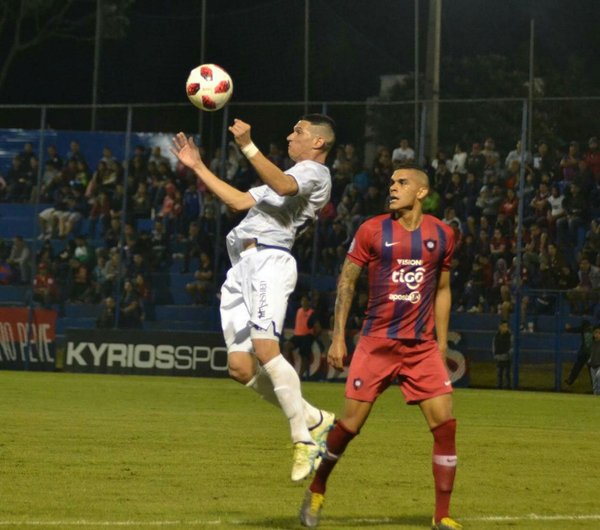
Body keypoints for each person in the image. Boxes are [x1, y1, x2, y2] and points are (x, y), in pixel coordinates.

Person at [171, 114, 337, 482]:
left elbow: (282, 183)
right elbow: (238, 201)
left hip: (269, 261)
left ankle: (304, 442)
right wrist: (197, 165)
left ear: (319, 143)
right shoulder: (287, 178)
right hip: (241, 269)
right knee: (241, 369)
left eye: (299, 131)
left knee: (266, 350)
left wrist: (247, 144)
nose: (291, 135)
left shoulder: (313, 173)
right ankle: (314, 417)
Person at [299, 163, 461, 530]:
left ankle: (442, 515)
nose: (392, 187)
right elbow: (346, 281)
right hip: (376, 344)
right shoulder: (372, 230)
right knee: (351, 425)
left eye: (402, 182)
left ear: (421, 192)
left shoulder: (443, 234)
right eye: (391, 182)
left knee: (445, 425)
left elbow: (444, 289)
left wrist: (440, 346)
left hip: (420, 348)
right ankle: (318, 486)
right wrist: (338, 336)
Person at [564, 320, 593, 386]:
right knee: (591, 370)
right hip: (589, 353)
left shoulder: (583, 329)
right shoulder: (592, 329)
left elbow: (574, 329)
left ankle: (570, 380)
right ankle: (595, 384)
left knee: (577, 367)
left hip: (584, 353)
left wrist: (568, 329)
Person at [492, 320, 513, 389]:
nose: (505, 328)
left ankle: (508, 387)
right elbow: (494, 346)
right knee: (499, 374)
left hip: (507, 358)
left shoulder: (510, 336)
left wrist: (507, 355)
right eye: (504, 326)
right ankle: (499, 387)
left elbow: (512, 347)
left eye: (506, 326)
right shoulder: (496, 336)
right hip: (499, 358)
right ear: (500, 327)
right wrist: (495, 355)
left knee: (507, 374)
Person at [588, 325, 600, 395]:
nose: (597, 334)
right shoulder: (592, 343)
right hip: (593, 366)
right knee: (594, 384)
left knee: (598, 376)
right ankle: (595, 398)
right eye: (596, 333)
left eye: (598, 333)